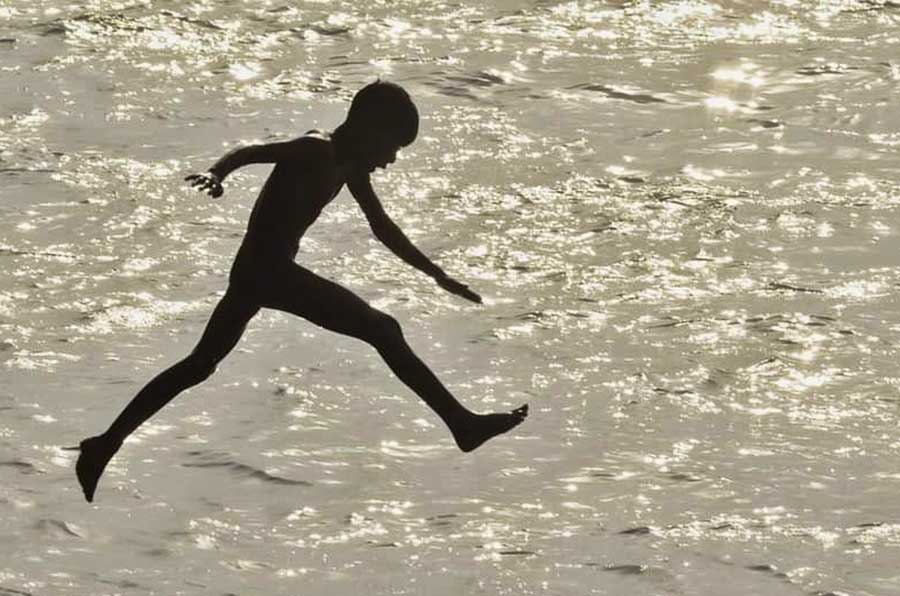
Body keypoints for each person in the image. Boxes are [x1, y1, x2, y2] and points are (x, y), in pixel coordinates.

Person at [76, 81, 528, 502]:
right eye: (390, 147)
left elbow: (382, 227)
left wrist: (435, 274)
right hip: (269, 273)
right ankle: (462, 424)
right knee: (383, 329)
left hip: (259, 274)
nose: (389, 160)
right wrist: (218, 174)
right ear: (367, 128)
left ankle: (104, 444)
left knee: (200, 364)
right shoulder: (316, 149)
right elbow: (251, 152)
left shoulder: (350, 165)